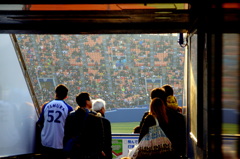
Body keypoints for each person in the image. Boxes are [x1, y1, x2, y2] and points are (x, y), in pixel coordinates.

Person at [63, 92, 105, 159]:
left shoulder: (71, 116)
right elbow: (100, 137)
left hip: (75, 151)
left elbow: (67, 135)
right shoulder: (95, 117)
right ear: (87, 102)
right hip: (90, 152)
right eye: (90, 100)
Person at [36, 84, 73, 159]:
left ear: (55, 94)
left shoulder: (46, 106)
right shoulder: (69, 108)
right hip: (60, 143)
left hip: (46, 142)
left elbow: (40, 122)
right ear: (66, 96)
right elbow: (70, 128)